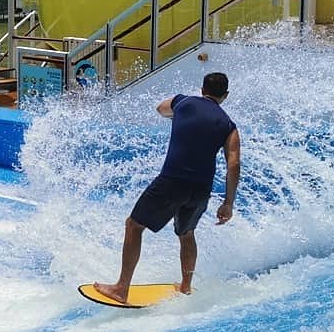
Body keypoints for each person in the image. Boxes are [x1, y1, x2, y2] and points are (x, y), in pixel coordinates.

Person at [92, 72, 240, 304]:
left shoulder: (184, 102)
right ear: (225, 96)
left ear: (202, 90)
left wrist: (179, 116)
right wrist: (228, 202)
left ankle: (121, 288)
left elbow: (161, 109)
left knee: (134, 226)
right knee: (187, 233)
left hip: (172, 181)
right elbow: (234, 162)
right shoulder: (228, 125)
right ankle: (186, 287)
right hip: (201, 189)